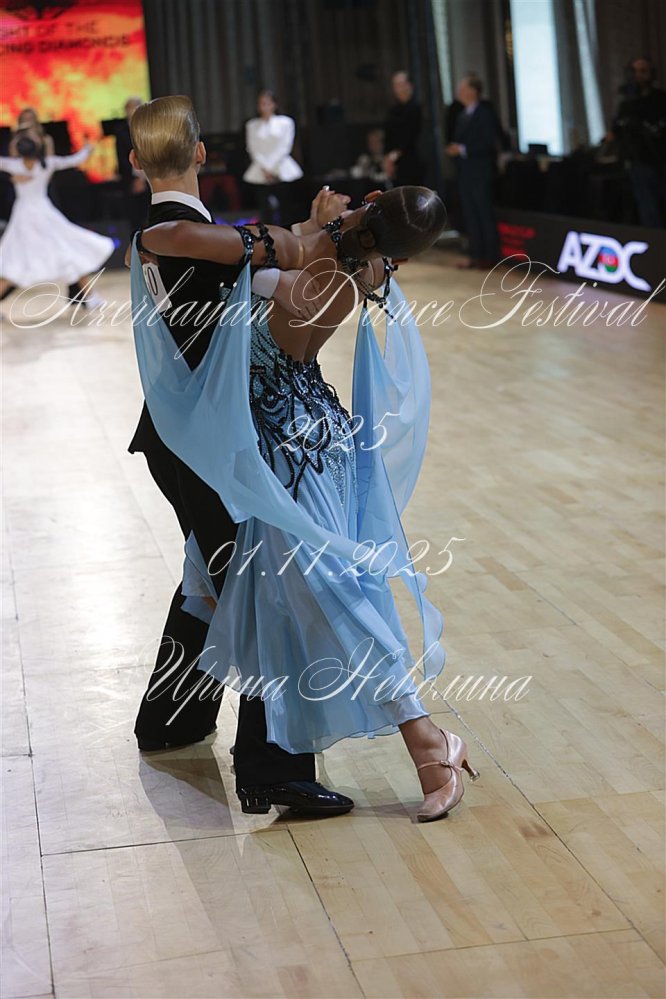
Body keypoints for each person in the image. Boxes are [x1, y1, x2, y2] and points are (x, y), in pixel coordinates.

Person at [137, 183, 482, 824]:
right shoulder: (365, 274)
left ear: (368, 203)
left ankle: (425, 740)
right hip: (310, 439)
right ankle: (190, 726)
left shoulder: (294, 259)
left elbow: (177, 240)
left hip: (284, 455)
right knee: (221, 585)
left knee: (328, 596)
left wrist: (298, 233)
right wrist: (318, 230)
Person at [127, 95, 362, 818]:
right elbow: (282, 266)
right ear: (203, 153)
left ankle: (171, 716)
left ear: (135, 162)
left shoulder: (185, 235)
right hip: (205, 448)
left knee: (213, 574)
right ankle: (272, 769)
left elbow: (276, 258)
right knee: (263, 587)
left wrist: (317, 235)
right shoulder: (179, 236)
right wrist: (330, 241)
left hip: (185, 444)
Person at [0, 133, 112, 306]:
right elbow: (74, 160)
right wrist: (87, 148)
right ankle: (91, 297)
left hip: (25, 216)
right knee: (66, 251)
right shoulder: (47, 163)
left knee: (17, 260)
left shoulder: (16, 165)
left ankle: (90, 297)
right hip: (43, 214)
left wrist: (11, 178)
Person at [446, 73, 501, 269]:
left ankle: (490, 255)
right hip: (466, 172)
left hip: (480, 171)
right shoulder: (463, 115)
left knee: (483, 213)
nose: (459, 92)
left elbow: (487, 143)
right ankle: (476, 254)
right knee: (470, 214)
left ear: (472, 91)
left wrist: (462, 149)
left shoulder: (484, 114)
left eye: (462, 88)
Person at [611, 57, 666, 228]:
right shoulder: (627, 102)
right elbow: (616, 129)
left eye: (643, 71)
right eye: (635, 71)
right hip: (639, 162)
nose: (638, 75)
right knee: (649, 211)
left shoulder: (660, 98)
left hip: (661, 159)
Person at [244, 89, 303, 225]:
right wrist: (265, 168)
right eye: (261, 103)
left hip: (281, 167)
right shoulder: (252, 125)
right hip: (260, 170)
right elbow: (252, 147)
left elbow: (285, 146)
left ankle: (287, 233)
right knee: (265, 209)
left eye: (267, 103)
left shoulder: (286, 122)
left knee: (285, 208)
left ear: (274, 104)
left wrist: (271, 167)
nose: (264, 106)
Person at [115, 96, 150, 231]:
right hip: (129, 179)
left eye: (136, 107)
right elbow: (122, 158)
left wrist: (143, 177)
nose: (133, 110)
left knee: (149, 215)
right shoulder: (121, 132)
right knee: (134, 218)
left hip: (149, 177)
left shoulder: (149, 129)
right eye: (130, 107)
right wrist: (136, 177)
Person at [383, 71, 423, 186]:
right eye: (395, 85)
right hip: (394, 162)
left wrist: (395, 154)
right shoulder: (392, 111)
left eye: (400, 84)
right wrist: (387, 158)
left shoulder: (415, 108)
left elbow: (411, 134)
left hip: (411, 160)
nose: (398, 88)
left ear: (409, 86)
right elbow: (388, 135)